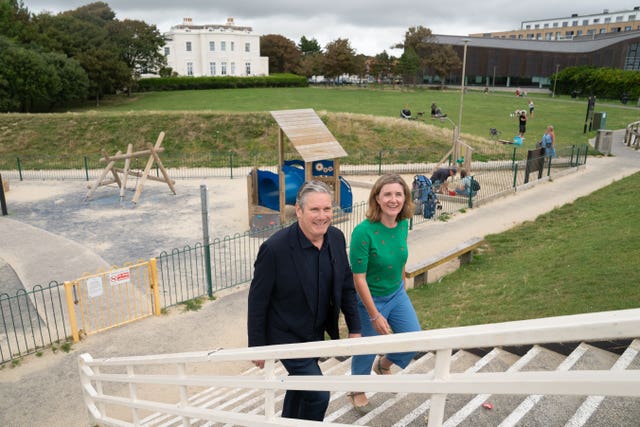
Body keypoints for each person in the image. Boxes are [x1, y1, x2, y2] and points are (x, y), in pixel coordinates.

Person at [247, 180, 362, 421]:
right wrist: (257, 345)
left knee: (301, 388)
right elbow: (258, 301)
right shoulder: (274, 249)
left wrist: (355, 328)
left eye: (327, 209)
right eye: (315, 210)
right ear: (299, 211)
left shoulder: (337, 238)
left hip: (314, 332)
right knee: (318, 394)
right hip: (286, 334)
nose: (322, 216)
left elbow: (346, 285)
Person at [347, 174, 421, 412]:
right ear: (376, 198)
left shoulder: (402, 224)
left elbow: (400, 258)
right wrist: (374, 314)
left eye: (398, 194)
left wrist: (402, 286)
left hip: (396, 293)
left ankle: (384, 363)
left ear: (405, 198)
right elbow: (358, 278)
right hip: (371, 298)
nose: (393, 199)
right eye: (387, 194)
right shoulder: (363, 232)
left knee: (413, 338)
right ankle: (357, 389)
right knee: (366, 349)